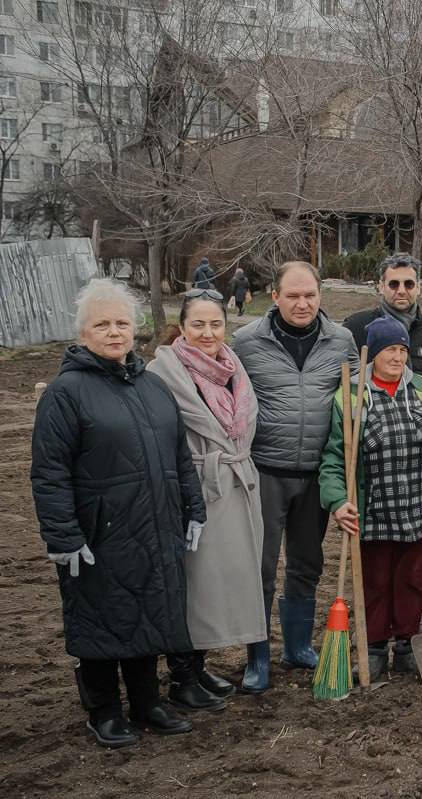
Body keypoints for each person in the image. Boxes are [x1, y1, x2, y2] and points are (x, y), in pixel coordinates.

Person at [31, 278, 202, 748]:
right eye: (101, 324)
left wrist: (194, 508)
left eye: (121, 323)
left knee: (149, 611)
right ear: (83, 333)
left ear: (135, 329)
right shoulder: (65, 393)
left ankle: (147, 702)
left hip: (156, 524)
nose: (114, 332)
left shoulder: (153, 386)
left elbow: (179, 455)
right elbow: (49, 473)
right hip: (99, 533)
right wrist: (63, 536)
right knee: (102, 617)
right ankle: (103, 709)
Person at [232, 261, 358, 693]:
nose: (303, 304)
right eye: (293, 296)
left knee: (307, 563)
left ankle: (298, 646)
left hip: (316, 474)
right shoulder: (247, 343)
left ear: (320, 296)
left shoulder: (341, 340)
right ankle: (258, 656)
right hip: (265, 471)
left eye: (310, 295)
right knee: (261, 568)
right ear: (275, 296)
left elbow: (356, 393)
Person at [320, 317, 422, 680]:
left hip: (417, 510)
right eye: (389, 351)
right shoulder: (350, 396)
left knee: (412, 580)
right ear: (373, 356)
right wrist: (337, 501)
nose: (397, 357)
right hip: (372, 510)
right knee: (375, 582)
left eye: (401, 350)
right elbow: (334, 458)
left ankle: (408, 643)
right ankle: (375, 646)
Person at [148, 289, 268, 710]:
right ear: (182, 328)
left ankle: (197, 666)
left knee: (221, 581)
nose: (207, 332)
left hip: (235, 483)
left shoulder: (232, 368)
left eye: (215, 324)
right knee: (194, 581)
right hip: (194, 488)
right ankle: (182, 674)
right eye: (197, 324)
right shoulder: (163, 374)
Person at [343, 252, 422, 378]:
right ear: (381, 287)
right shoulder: (356, 327)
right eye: (394, 284)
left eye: (409, 284)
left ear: (418, 287)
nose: (401, 291)